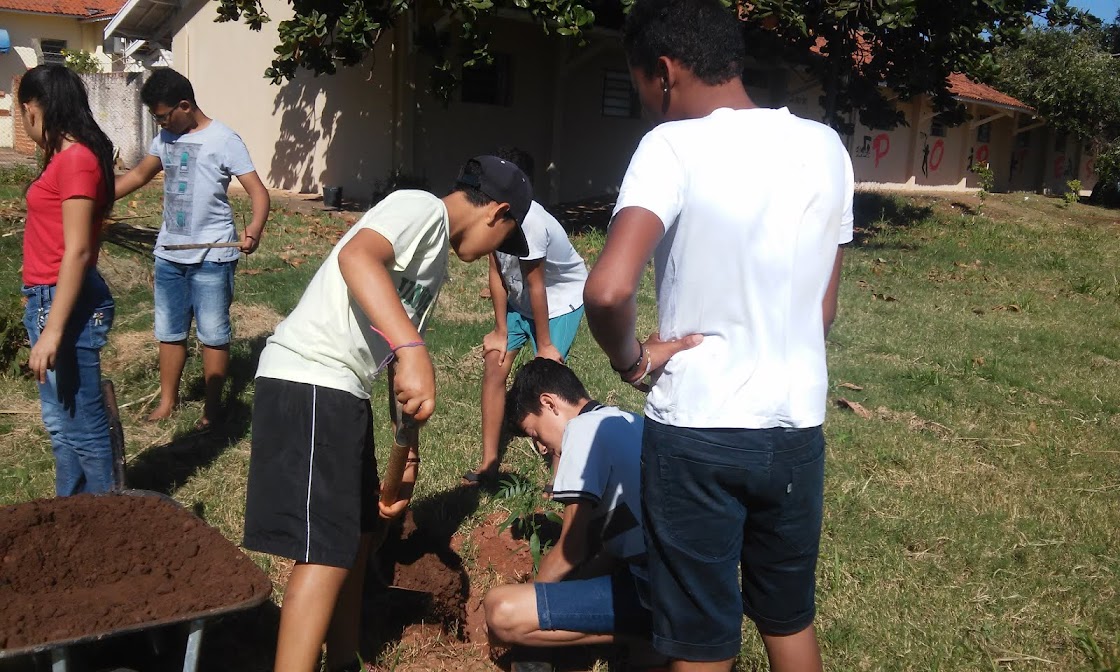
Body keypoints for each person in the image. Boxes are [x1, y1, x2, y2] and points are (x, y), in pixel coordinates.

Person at [582, 0, 853, 670]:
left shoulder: (671, 146)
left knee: (701, 639)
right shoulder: (824, 148)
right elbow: (823, 312)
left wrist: (632, 360)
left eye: (642, 85)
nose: (647, 102)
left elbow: (609, 289)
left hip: (699, 430)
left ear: (664, 71)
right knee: (789, 619)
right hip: (795, 429)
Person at [243, 156, 534, 672]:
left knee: (354, 536)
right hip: (310, 377)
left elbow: (393, 353)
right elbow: (356, 258)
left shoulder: (435, 260)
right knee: (323, 549)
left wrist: (409, 439)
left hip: (344, 389)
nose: (497, 254)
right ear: (498, 212)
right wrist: (416, 349)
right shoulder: (418, 207)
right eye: (505, 239)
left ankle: (344, 660)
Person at [483, 359, 669, 672]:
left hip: (652, 596)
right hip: (674, 590)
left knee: (500, 610)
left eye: (535, 433)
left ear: (548, 403)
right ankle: (648, 641)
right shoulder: (625, 420)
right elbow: (616, 542)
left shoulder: (580, 432)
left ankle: (647, 638)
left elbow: (571, 551)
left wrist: (533, 599)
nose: (541, 447)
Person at [115, 67, 270, 429]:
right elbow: (139, 175)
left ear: (185, 105)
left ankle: (212, 409)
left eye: (164, 117)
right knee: (169, 330)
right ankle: (167, 401)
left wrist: (255, 228)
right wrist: (95, 197)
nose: (161, 125)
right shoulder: (165, 140)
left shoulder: (224, 139)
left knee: (213, 333)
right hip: (169, 253)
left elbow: (258, 192)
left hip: (212, 255)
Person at [18, 65, 118, 496]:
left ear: (34, 109)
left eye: (22, 111)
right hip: (47, 297)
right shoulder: (66, 158)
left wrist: (53, 332)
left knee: (84, 425)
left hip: (64, 302)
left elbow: (77, 251)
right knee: (62, 424)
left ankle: (108, 521)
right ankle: (71, 512)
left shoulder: (75, 160)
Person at [464, 147, 588, 486]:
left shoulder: (532, 223)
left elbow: (537, 287)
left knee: (549, 382)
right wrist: (500, 329)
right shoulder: (493, 213)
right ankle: (489, 463)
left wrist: (545, 345)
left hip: (557, 300)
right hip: (521, 299)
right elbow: (497, 270)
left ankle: (560, 476)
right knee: (494, 362)